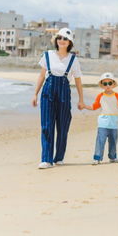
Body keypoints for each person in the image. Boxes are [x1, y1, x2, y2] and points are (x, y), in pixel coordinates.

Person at [32, 28, 84, 169]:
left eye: (65, 39)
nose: (62, 41)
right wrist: (35, 94)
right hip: (47, 92)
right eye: (60, 38)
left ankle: (59, 157)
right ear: (56, 40)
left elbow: (78, 81)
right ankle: (46, 159)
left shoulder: (73, 60)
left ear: (69, 42)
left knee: (63, 125)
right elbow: (42, 76)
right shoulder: (47, 55)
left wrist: (81, 100)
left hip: (64, 93)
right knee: (47, 126)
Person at [83, 72, 118, 164]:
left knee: (113, 142)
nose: (107, 85)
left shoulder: (117, 96)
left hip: (113, 123)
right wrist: (84, 106)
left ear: (113, 84)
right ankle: (97, 158)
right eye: (105, 84)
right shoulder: (100, 96)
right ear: (102, 85)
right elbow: (94, 107)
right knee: (100, 141)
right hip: (103, 123)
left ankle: (112, 157)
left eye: (110, 83)